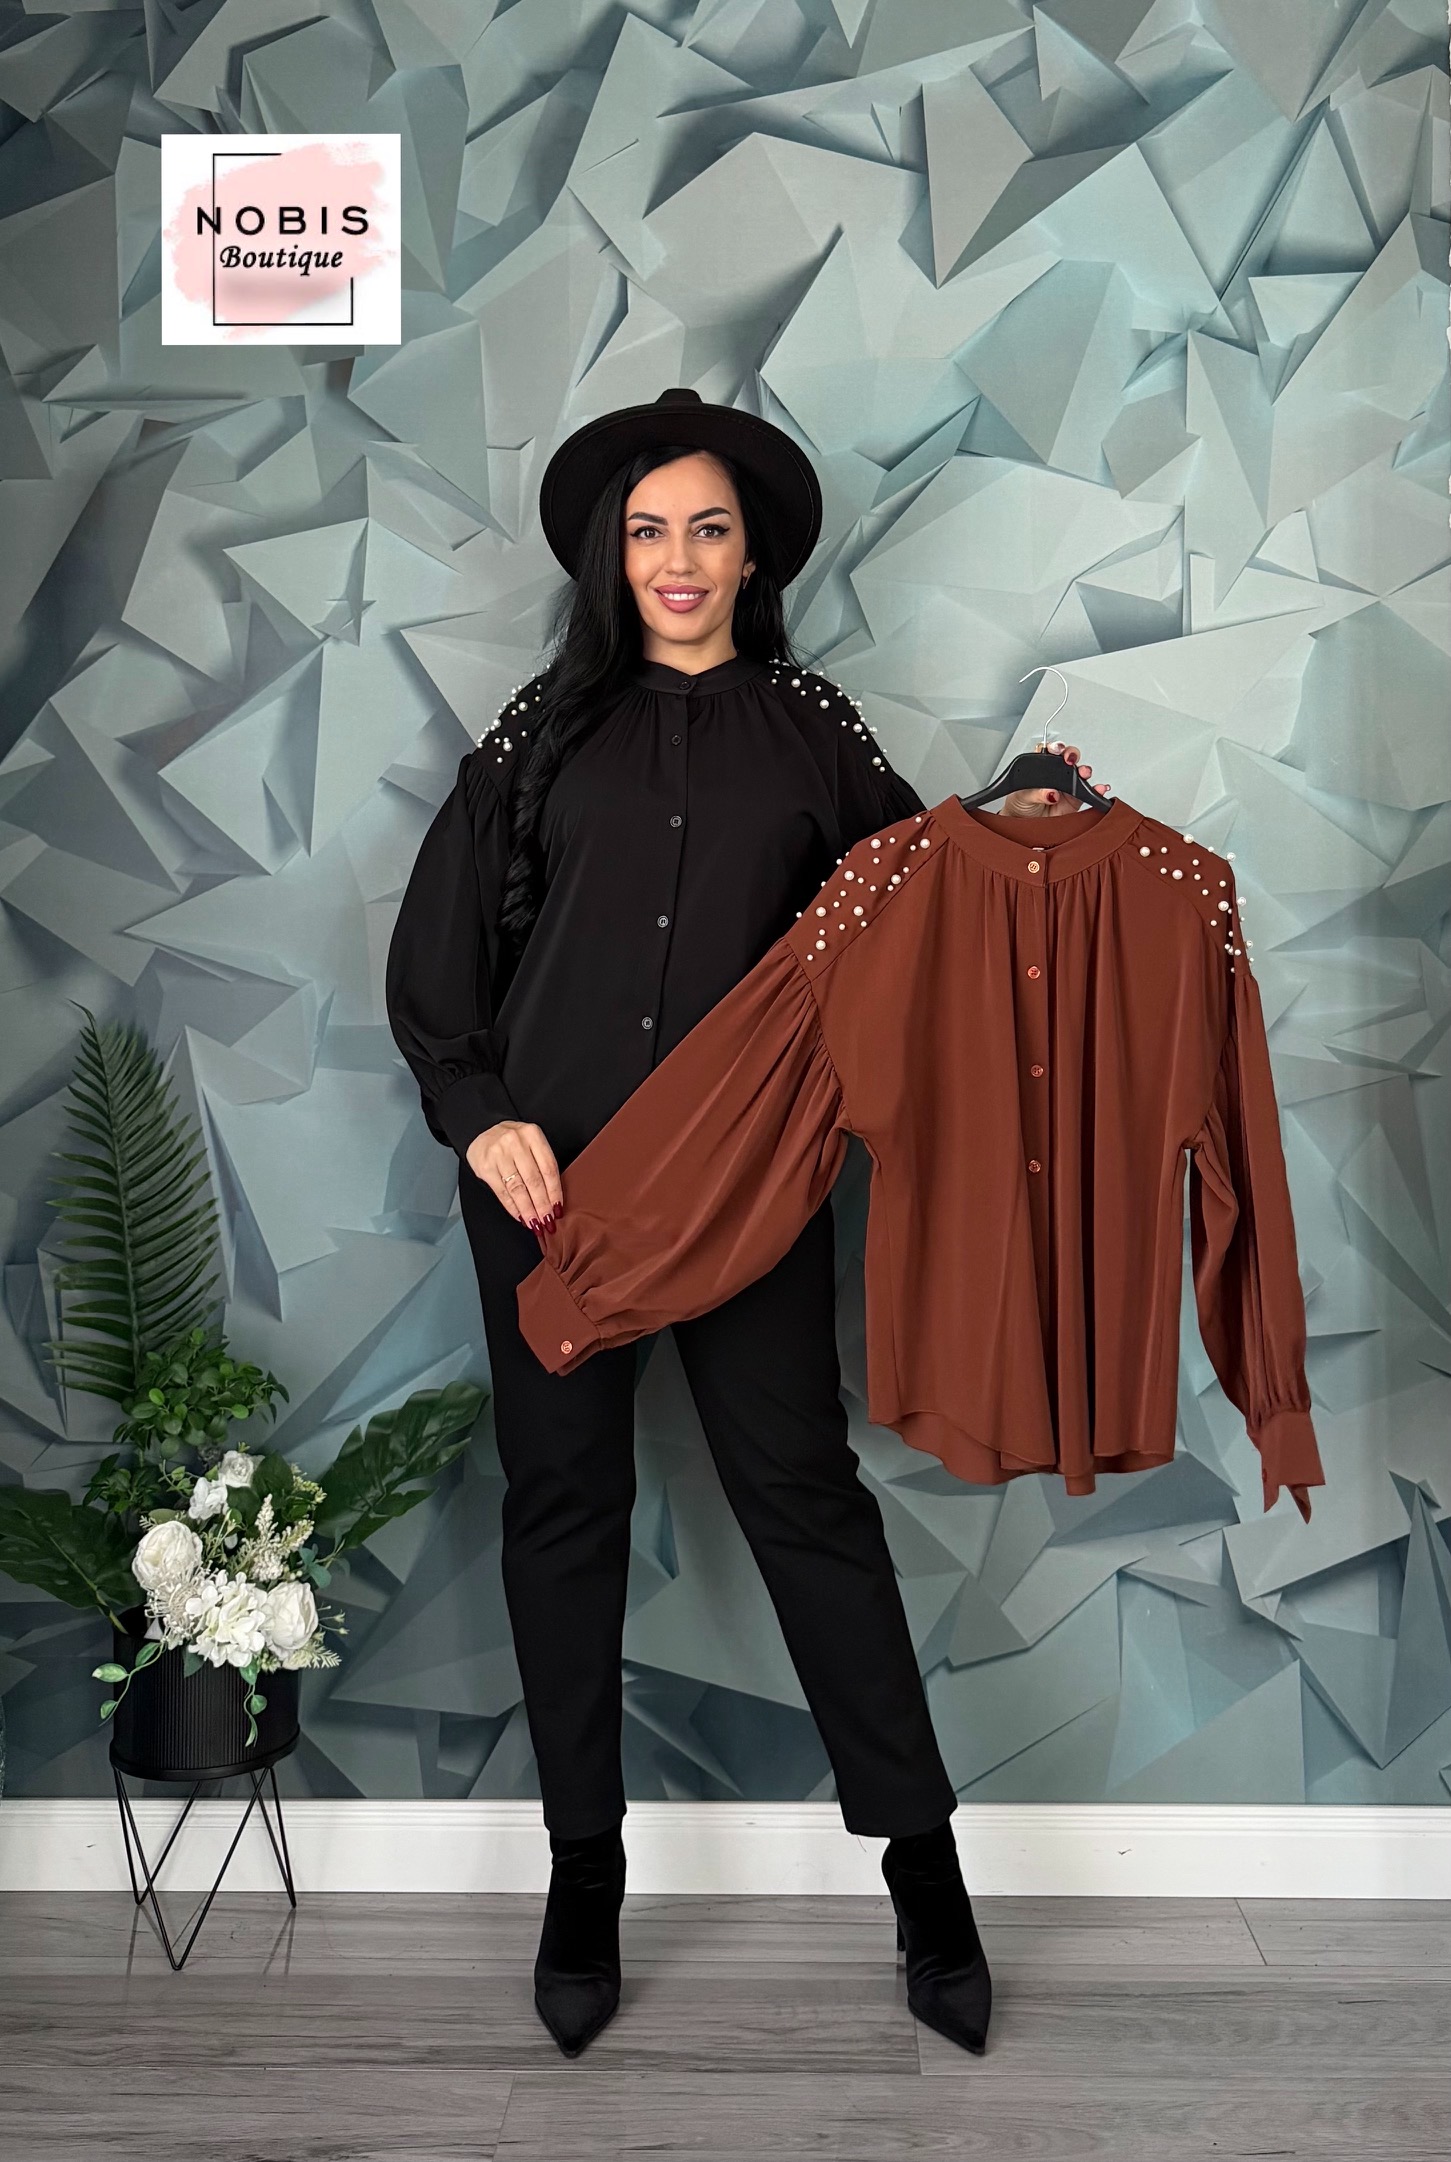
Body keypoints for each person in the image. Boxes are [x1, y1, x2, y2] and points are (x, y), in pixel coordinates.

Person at [385, 388, 1111, 2059]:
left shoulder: (815, 734)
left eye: (707, 528)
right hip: (553, 1194)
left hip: (748, 1190)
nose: (678, 558)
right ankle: (584, 1873)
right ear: (609, 555)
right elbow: (440, 957)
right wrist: (481, 1111)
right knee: (562, 1510)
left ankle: (926, 1877)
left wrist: (1032, 839)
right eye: (649, 530)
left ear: (753, 555)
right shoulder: (536, 735)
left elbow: (921, 931)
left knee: (807, 1504)